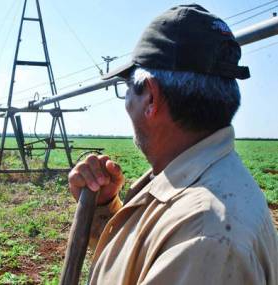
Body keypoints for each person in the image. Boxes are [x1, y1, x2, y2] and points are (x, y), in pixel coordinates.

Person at [68, 4, 278, 285]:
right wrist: (104, 205)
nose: (127, 103)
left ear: (151, 98)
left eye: (128, 88)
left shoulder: (204, 239)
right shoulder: (197, 189)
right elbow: (143, 255)